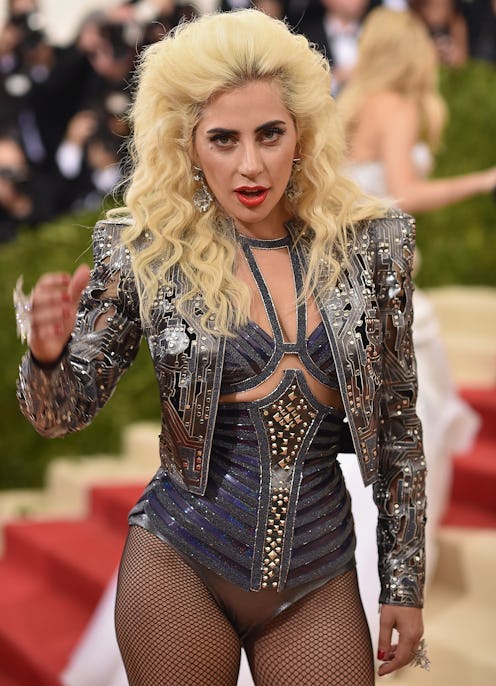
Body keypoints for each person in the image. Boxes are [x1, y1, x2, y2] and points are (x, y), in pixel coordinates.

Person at [15, 9, 429, 685]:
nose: (250, 165)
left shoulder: (372, 247)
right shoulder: (146, 251)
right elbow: (60, 413)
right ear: (186, 143)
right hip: (180, 559)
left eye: (270, 134)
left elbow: (399, 425)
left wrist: (403, 581)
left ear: (302, 131)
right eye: (223, 139)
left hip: (319, 570)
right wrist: (48, 357)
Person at [337, 4, 482, 649]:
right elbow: (404, 192)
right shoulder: (395, 106)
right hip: (391, 295)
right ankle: (389, 588)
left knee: (371, 441)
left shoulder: (349, 104)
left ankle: (347, 588)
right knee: (412, 434)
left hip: (355, 288)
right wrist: (483, 179)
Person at [337, 7, 496, 213]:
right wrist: (483, 181)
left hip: (348, 225)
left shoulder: (354, 102)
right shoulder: (398, 107)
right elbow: (405, 196)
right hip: (378, 228)